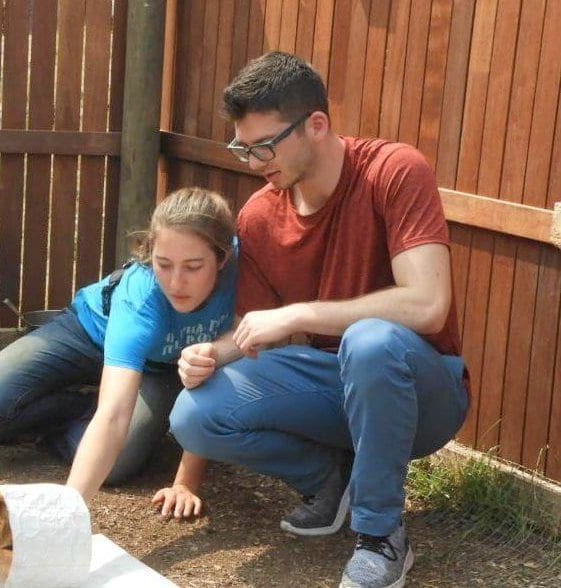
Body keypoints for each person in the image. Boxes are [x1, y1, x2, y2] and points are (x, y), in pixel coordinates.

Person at [169, 52, 468, 588]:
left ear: (317, 125)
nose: (255, 161)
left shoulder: (393, 171)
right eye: (244, 147)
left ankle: (381, 535)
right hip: (332, 388)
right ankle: (331, 483)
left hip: (424, 393)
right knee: (194, 414)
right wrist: (212, 353)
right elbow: (253, 328)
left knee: (371, 342)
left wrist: (301, 314)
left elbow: (428, 305)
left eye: (265, 145)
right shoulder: (259, 214)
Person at [0, 187, 237, 511]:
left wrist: (184, 482)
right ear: (149, 253)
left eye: (192, 267)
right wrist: (69, 512)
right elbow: (114, 414)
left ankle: (71, 423)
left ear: (223, 259)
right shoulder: (141, 295)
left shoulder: (245, 271)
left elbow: (212, 374)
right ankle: (85, 408)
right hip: (91, 333)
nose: (175, 283)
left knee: (118, 462)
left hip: (160, 368)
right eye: (163, 264)